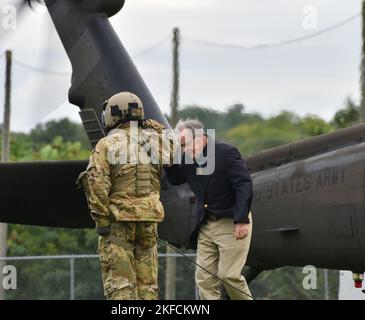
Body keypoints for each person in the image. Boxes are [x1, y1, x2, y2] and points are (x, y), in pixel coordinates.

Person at [77, 91, 168, 300]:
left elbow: (97, 181)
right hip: (149, 221)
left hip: (119, 223)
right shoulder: (155, 143)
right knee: (148, 287)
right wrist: (150, 125)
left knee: (120, 287)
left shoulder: (107, 144)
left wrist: (101, 220)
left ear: (113, 115)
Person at [164, 118, 254, 300]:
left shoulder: (226, 152)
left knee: (228, 276)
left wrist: (242, 219)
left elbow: (244, 185)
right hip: (206, 224)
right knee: (204, 279)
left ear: (202, 138)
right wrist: (169, 163)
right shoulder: (187, 156)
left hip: (231, 222)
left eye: (184, 144)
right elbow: (175, 179)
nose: (183, 149)